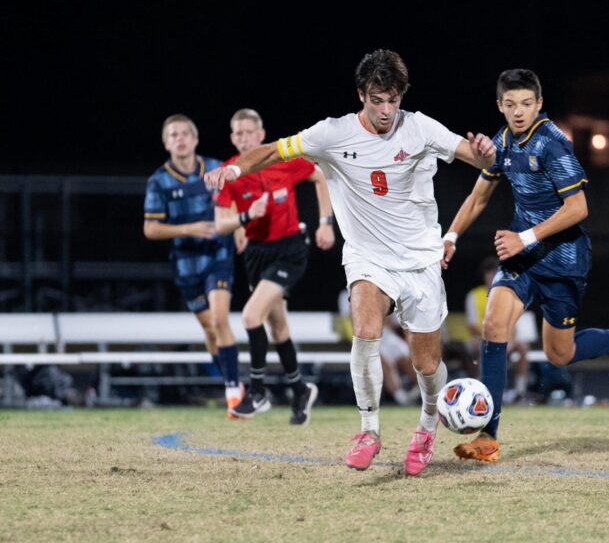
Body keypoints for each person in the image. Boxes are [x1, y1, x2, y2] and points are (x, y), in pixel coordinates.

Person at [206, 49, 496, 476]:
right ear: (361, 94)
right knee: (365, 329)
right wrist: (233, 172)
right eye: (377, 99)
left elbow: (479, 159)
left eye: (393, 99)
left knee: (426, 364)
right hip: (367, 257)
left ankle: (426, 428)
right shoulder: (332, 134)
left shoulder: (420, 127)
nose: (385, 110)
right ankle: (369, 430)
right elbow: (271, 152)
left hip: (420, 260)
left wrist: (486, 151)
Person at [442, 69, 609, 463]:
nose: (518, 112)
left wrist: (526, 237)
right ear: (500, 106)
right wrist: (450, 236)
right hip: (522, 257)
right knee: (493, 325)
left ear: (538, 104)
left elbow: (579, 208)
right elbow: (479, 197)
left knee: (559, 354)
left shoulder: (554, 144)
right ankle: (488, 436)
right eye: (510, 105)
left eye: (525, 104)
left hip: (563, 260)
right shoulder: (503, 141)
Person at [214, 108, 335, 425]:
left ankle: (257, 392)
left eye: (247, 132)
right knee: (278, 327)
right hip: (256, 254)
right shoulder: (229, 171)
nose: (242, 138)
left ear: (260, 135)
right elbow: (220, 223)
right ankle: (300, 389)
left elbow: (320, 176)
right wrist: (245, 218)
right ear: (231, 138)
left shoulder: (281, 160)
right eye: (237, 133)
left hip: (290, 249)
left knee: (252, 316)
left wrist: (325, 223)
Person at [144, 114, 243, 418]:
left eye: (186, 133)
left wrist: (238, 228)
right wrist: (188, 229)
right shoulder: (159, 181)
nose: (181, 138)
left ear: (196, 139)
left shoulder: (215, 168)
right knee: (210, 328)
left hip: (218, 255)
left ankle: (233, 391)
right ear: (166, 142)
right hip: (186, 264)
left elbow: (234, 198)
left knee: (220, 316)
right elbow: (150, 229)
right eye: (174, 135)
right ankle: (230, 377)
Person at [465, 255, 538, 401]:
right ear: (484, 275)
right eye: (489, 273)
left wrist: (509, 341)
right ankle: (482, 391)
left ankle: (520, 391)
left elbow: (513, 323)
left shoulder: (507, 294)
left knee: (523, 346)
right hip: (480, 337)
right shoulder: (474, 295)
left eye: (495, 272)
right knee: (482, 347)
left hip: (505, 337)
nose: (492, 276)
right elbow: (472, 326)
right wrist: (493, 339)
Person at [337, 288, 420, 406]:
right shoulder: (347, 294)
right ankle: (401, 398)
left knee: (410, 359)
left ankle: (424, 394)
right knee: (387, 362)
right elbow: (353, 320)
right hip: (366, 338)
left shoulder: (383, 291)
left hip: (386, 336)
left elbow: (391, 322)